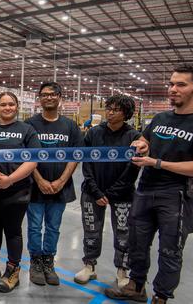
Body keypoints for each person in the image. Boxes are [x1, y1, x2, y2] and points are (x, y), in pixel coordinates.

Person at [105, 64, 193, 303]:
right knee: (137, 244)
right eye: (171, 84)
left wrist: (156, 162)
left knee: (170, 250)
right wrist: (141, 145)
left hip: (176, 195)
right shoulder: (160, 118)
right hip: (146, 190)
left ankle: (161, 296)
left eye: (181, 85)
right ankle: (136, 287)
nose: (173, 89)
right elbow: (144, 139)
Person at [74, 95, 141, 288]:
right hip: (92, 192)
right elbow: (86, 164)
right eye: (109, 108)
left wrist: (110, 194)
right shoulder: (94, 133)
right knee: (91, 230)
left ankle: (122, 270)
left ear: (126, 113)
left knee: (123, 232)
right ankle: (89, 266)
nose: (110, 112)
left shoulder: (133, 137)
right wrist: (96, 191)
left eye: (116, 109)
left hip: (122, 195)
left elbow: (132, 170)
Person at [0, 92, 39, 293]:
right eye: (3, 104)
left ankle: (13, 271)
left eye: (11, 104)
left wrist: (10, 180)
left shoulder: (27, 130)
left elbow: (33, 160)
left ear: (17, 106)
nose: (7, 108)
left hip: (17, 189)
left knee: (13, 230)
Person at [25, 81, 82, 286]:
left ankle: (48, 262)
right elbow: (26, 155)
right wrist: (39, 179)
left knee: (53, 227)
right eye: (44, 94)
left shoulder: (70, 126)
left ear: (60, 98)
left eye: (53, 94)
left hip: (61, 188)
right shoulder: (30, 124)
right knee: (34, 227)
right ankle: (35, 263)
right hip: (34, 187)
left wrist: (61, 180)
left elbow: (75, 155)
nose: (48, 97)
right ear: (39, 99)